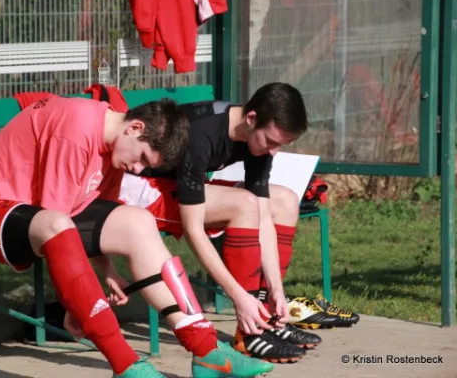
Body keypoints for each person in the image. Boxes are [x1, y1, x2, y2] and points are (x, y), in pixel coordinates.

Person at [0, 94, 274, 378]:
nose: (139, 169)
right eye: (143, 158)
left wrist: (107, 270)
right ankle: (124, 362)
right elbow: (58, 225)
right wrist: (77, 303)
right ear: (134, 128)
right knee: (56, 224)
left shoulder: (114, 148)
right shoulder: (75, 130)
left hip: (39, 215)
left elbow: (88, 214)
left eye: (148, 166)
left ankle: (206, 351)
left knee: (137, 221)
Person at [117, 82, 355, 364]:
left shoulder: (256, 141)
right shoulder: (201, 134)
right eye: (271, 141)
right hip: (136, 184)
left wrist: (278, 289)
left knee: (285, 200)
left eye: (280, 145)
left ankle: (268, 317)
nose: (274, 151)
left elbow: (264, 216)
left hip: (179, 184)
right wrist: (238, 296)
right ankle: (250, 331)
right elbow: (193, 230)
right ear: (251, 119)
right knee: (244, 204)